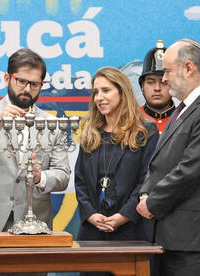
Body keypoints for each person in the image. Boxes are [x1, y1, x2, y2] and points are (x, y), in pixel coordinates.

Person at [136, 38, 200, 276]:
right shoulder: (187, 108)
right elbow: (162, 159)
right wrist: (146, 191)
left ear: (188, 68)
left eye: (167, 71)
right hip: (173, 235)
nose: (165, 79)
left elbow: (192, 168)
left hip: (195, 240)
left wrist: (152, 202)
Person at [0, 48, 70, 240]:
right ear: (7, 78)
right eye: (22, 81)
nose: (27, 89)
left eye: (34, 84)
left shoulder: (52, 124)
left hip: (34, 226)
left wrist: (40, 177)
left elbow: (63, 174)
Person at [75, 67, 159, 276]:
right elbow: (80, 181)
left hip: (132, 230)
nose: (99, 97)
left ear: (121, 93)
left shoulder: (146, 132)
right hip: (93, 232)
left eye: (106, 90)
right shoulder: (90, 133)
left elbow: (146, 180)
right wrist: (91, 214)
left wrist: (124, 215)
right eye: (95, 92)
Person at [139, 40, 175, 135]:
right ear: (142, 86)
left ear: (174, 85)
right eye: (150, 82)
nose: (157, 88)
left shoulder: (185, 118)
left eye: (164, 82)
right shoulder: (130, 119)